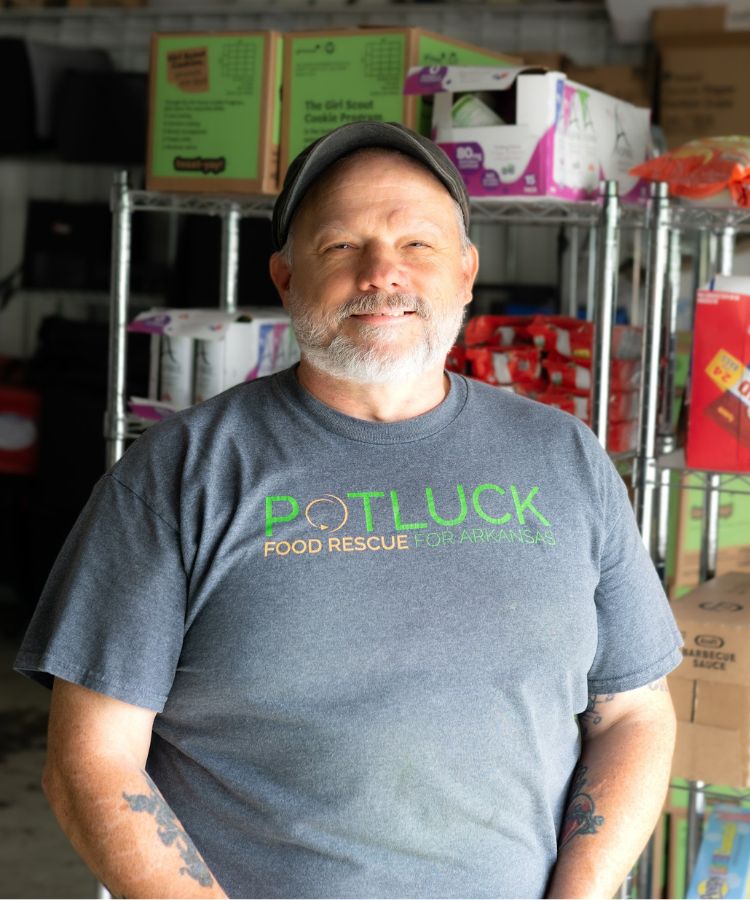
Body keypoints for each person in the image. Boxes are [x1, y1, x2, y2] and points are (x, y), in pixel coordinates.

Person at [15, 121, 682, 900]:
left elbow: (633, 714)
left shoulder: (564, 459)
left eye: (417, 246)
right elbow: (89, 762)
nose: (380, 274)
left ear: (466, 272)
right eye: (339, 247)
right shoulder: (179, 475)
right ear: (285, 277)